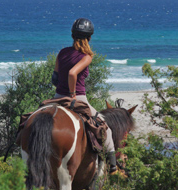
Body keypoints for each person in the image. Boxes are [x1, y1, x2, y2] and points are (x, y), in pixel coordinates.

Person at [52, 18, 119, 175]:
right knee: (105, 127)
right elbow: (72, 73)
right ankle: (113, 167)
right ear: (89, 38)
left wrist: (61, 90)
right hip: (78, 98)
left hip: (57, 97)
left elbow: (54, 78)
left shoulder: (62, 52)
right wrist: (73, 95)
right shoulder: (86, 56)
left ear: (72, 36)